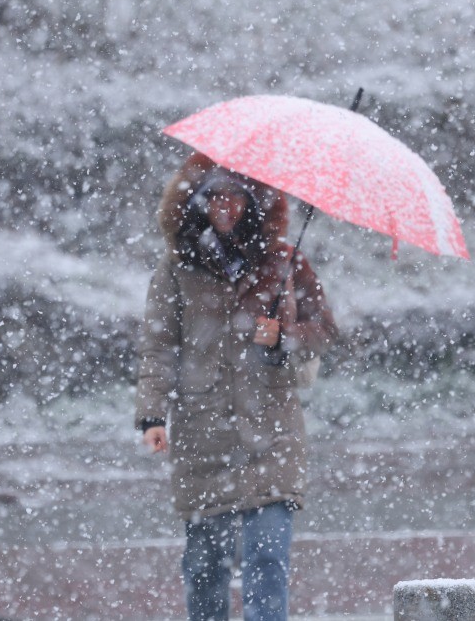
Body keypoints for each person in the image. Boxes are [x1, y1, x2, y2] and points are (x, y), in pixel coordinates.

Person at [136, 153, 337, 621]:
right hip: (203, 435)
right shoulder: (177, 268)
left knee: (268, 560)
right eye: (214, 197)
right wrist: (151, 415)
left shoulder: (286, 262)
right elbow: (159, 345)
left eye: (235, 197)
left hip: (272, 433)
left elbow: (325, 330)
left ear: (253, 203)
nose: (224, 206)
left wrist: (284, 335)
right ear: (197, 202)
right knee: (205, 570)